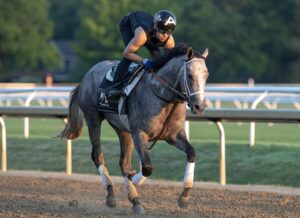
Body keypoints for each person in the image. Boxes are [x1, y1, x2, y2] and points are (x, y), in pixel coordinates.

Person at [109, 10, 176, 95]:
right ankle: (115, 86)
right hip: (128, 25)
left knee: (159, 58)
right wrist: (144, 61)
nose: (165, 35)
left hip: (149, 32)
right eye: (163, 31)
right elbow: (126, 53)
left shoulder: (169, 41)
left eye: (169, 32)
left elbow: (171, 62)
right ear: (155, 27)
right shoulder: (142, 35)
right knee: (131, 56)